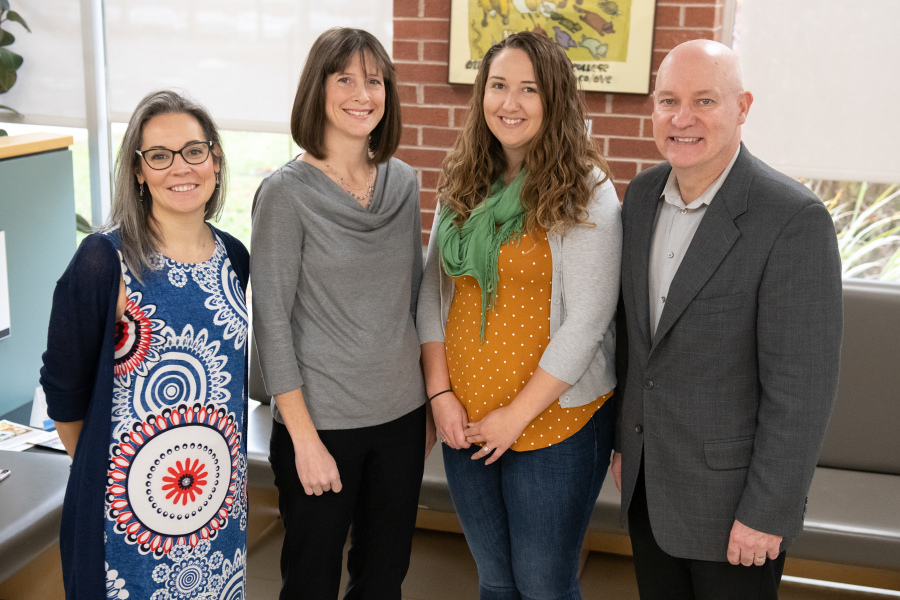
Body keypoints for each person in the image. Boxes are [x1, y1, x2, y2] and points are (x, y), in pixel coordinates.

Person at [611, 39, 843, 599]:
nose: (682, 118)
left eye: (705, 101)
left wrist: (769, 510)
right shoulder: (641, 197)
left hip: (736, 507)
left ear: (743, 107)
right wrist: (625, 440)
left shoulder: (792, 219)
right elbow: (636, 340)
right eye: (668, 100)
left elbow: (802, 392)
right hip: (649, 483)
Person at [418, 31, 621, 600]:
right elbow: (433, 296)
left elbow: (587, 321)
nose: (510, 102)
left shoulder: (587, 189)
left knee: (543, 586)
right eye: (499, 85)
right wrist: (440, 397)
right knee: (496, 582)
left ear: (554, 99)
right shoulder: (463, 178)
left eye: (529, 89)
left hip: (554, 424)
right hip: (466, 418)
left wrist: (516, 416)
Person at [40, 90, 250, 599]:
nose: (180, 168)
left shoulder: (235, 258)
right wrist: (111, 475)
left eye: (194, 151)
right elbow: (63, 392)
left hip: (217, 514)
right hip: (126, 524)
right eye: (159, 155)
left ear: (215, 160)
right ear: (138, 171)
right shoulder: (102, 262)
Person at [250, 28, 431, 599]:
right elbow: (271, 321)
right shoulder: (285, 193)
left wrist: (427, 409)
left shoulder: (402, 182)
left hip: (401, 421)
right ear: (317, 91)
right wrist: (303, 439)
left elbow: (414, 299)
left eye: (373, 80)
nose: (362, 93)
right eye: (345, 78)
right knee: (310, 580)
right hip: (320, 425)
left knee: (384, 578)